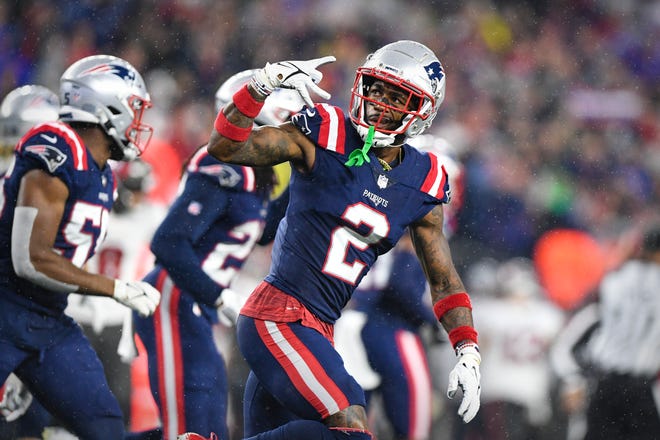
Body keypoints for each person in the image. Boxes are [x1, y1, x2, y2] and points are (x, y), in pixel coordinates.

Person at [181, 40, 482, 440]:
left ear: (423, 111)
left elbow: (443, 279)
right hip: (278, 316)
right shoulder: (326, 129)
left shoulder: (423, 180)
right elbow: (225, 146)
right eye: (375, 89)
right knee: (351, 428)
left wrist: (467, 349)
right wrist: (262, 83)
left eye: (397, 97)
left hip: (319, 328)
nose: (380, 103)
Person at [134, 69, 305, 440]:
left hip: (196, 308)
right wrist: (218, 294)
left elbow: (260, 235)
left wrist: (307, 178)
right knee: (191, 430)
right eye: (289, 127)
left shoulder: (254, 176)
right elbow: (167, 242)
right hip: (175, 300)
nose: (294, 137)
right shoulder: (223, 165)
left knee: (210, 429)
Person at [0, 54, 160, 439]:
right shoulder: (56, 147)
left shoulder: (103, 173)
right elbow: (31, 259)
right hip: (5, 309)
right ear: (106, 105)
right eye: (134, 108)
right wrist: (116, 288)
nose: (138, 122)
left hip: (49, 319)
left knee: (105, 427)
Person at [550, 222, 660, 440]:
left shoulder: (613, 279)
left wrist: (573, 380)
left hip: (605, 385)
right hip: (641, 389)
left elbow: (578, 330)